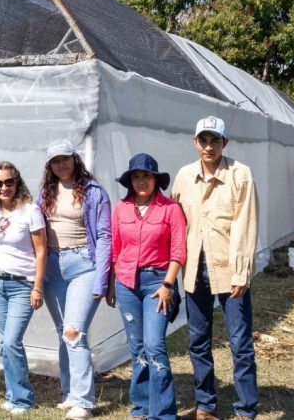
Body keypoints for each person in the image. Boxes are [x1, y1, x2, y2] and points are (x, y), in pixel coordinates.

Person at [171, 116, 259, 420]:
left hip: (228, 269)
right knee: (198, 340)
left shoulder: (240, 175)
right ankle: (206, 405)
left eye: (215, 140)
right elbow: (176, 224)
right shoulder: (183, 177)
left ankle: (246, 409)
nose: (209, 146)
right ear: (195, 142)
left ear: (225, 143)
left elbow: (245, 226)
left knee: (240, 342)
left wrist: (241, 273)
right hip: (195, 271)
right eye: (204, 140)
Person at [106, 153, 186, 420]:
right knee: (137, 346)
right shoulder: (122, 208)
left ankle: (163, 413)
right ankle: (141, 406)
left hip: (157, 283)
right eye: (136, 176)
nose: (141, 181)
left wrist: (167, 285)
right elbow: (116, 249)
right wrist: (111, 285)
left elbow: (178, 252)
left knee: (154, 345)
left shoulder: (170, 209)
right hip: (127, 283)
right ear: (130, 180)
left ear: (156, 179)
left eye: (147, 176)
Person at [37, 140, 111, 420]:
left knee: (74, 332)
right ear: (50, 166)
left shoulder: (94, 191)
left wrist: (102, 278)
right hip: (54, 267)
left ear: (75, 159)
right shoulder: (45, 192)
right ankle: (70, 391)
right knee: (62, 332)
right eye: (56, 161)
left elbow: (104, 235)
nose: (61, 164)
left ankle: (84, 400)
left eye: (66, 159)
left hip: (84, 265)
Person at [0, 161, 46, 416]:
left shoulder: (30, 210)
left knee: (11, 341)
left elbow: (41, 251)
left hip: (23, 284)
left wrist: (37, 287)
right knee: (3, 343)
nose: (4, 187)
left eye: (9, 182)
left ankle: (23, 399)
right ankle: (12, 394)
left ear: (17, 182)